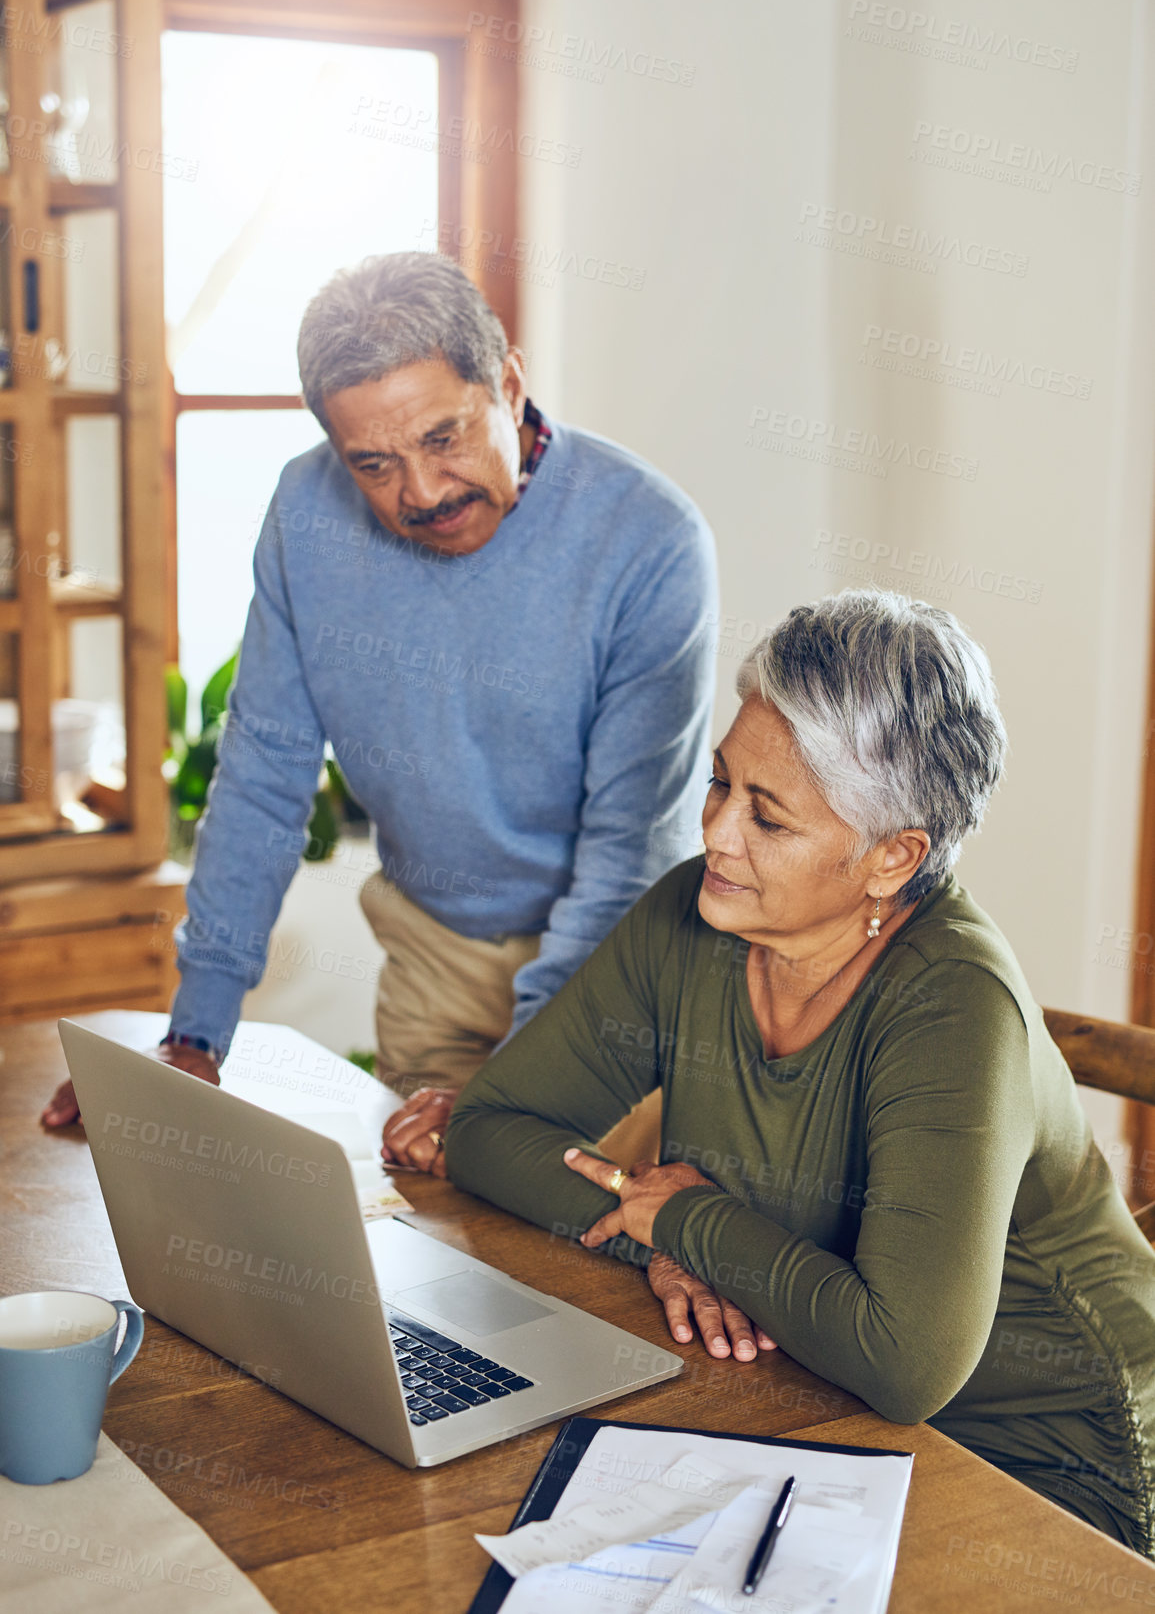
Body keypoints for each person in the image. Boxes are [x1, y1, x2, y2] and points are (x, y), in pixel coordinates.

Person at [446, 588, 1155, 1554]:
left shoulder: (951, 1005)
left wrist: (691, 1218)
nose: (716, 832)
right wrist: (660, 1240)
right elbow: (490, 1129)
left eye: (767, 818)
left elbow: (904, 1361)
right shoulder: (692, 916)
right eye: (718, 783)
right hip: (815, 1396)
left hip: (1048, 1464)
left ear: (889, 858)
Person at [42, 253, 717, 1165]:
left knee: (590, 1281)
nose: (423, 492)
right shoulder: (305, 510)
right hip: (432, 953)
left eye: (445, 438)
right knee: (431, 1258)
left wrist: (507, 1094)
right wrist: (190, 1041)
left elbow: (625, 858)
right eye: (374, 463)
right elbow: (263, 775)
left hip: (617, 976)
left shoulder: (650, 542)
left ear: (509, 384)